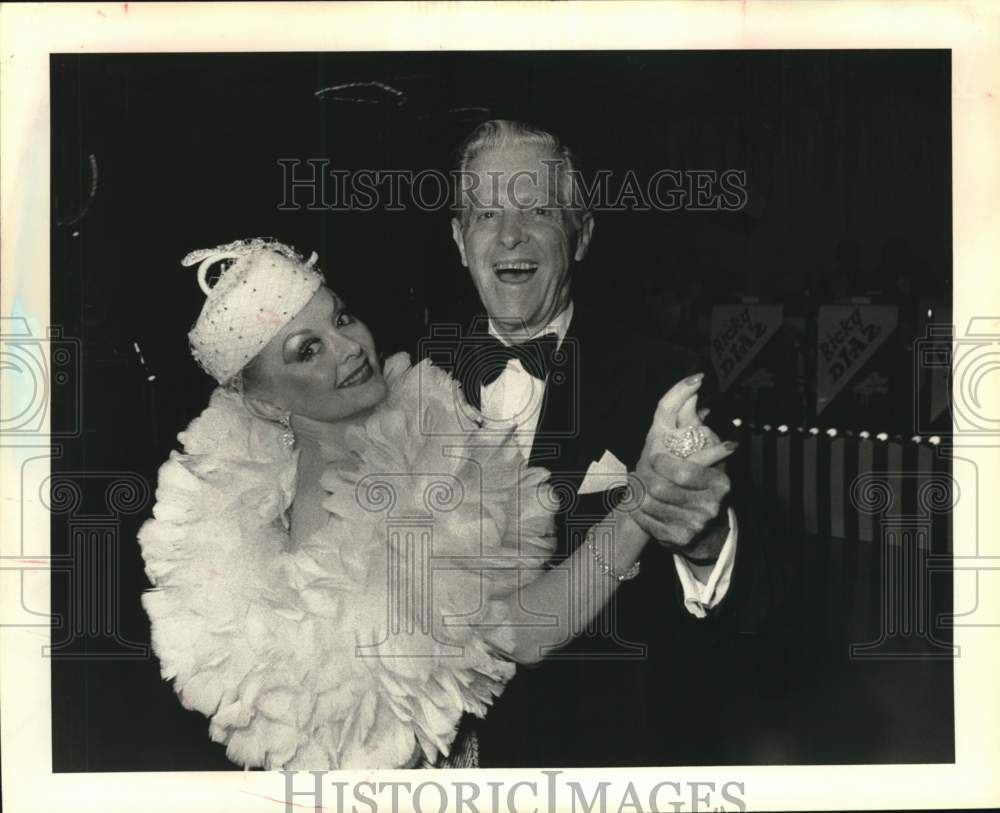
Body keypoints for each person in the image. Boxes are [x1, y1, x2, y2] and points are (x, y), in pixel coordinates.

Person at [137, 237, 733, 770]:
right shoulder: (339, 486)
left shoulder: (381, 429)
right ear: (265, 404)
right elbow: (523, 632)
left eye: (342, 317)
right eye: (306, 351)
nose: (349, 348)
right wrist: (643, 499)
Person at [430, 119, 776, 766]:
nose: (509, 235)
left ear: (581, 234)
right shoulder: (407, 384)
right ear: (458, 238)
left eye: (537, 210)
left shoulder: (665, 383)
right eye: (485, 214)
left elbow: (761, 612)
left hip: (602, 763)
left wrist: (703, 544)